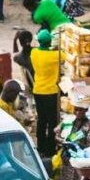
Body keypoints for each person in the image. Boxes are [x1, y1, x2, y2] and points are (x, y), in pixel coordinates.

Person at [30, 29, 62, 157]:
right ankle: (50, 149)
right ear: (50, 42)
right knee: (52, 120)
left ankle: (41, 146)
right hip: (51, 92)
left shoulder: (34, 53)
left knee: (41, 120)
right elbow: (64, 56)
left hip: (38, 90)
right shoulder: (55, 55)